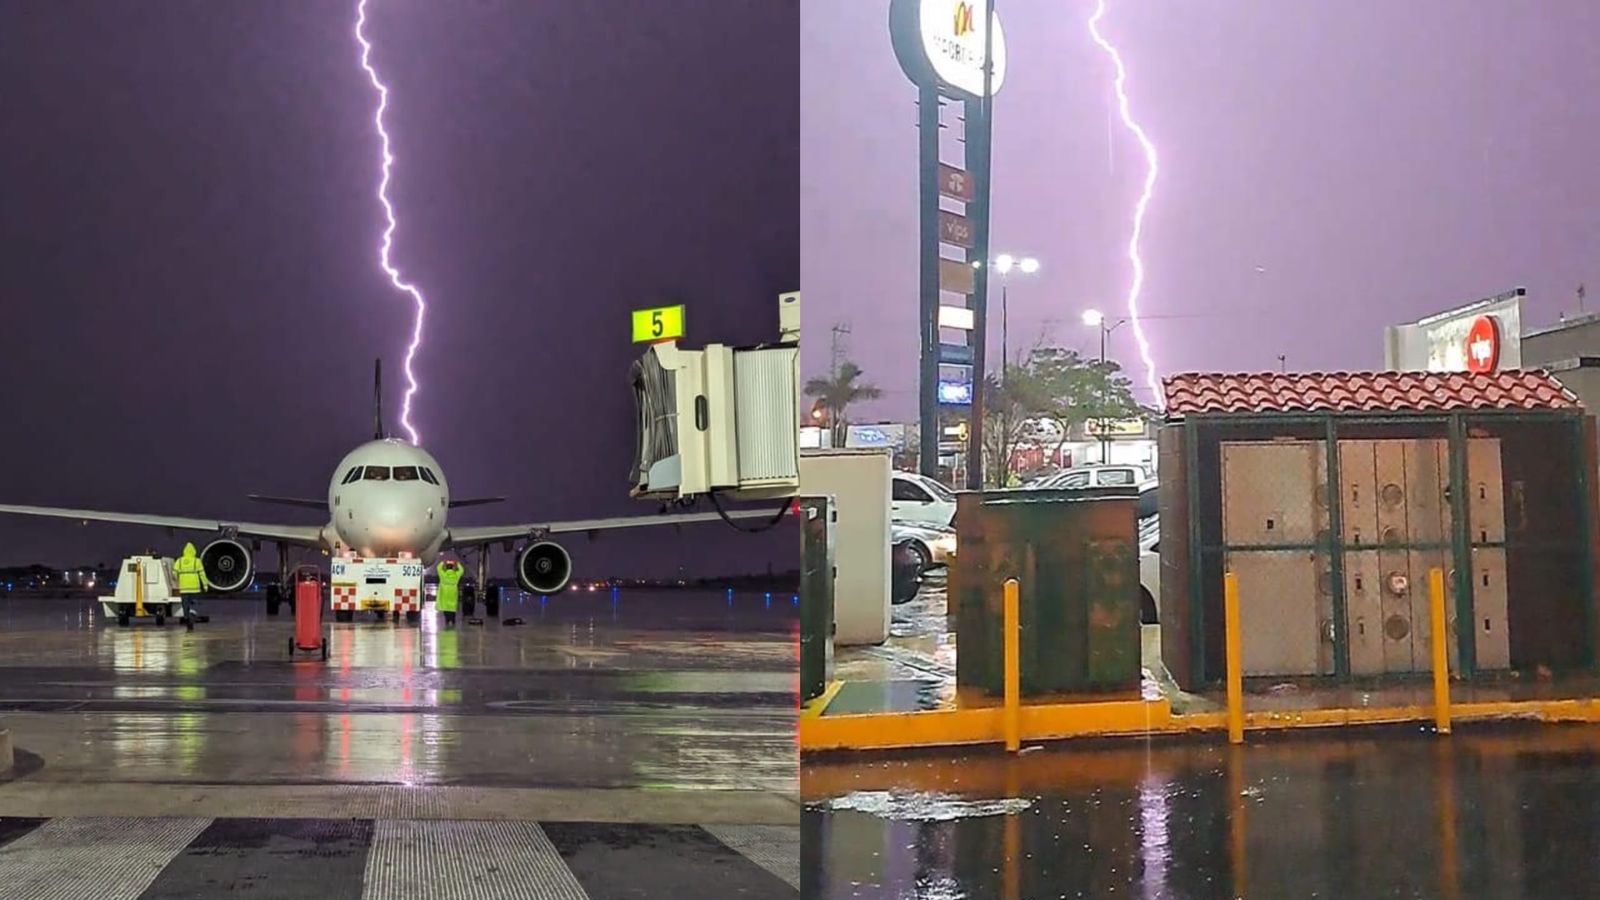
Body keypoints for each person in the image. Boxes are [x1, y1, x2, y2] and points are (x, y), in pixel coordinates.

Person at [171, 542, 210, 626]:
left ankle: (186, 617)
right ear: (194, 551)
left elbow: (174, 574)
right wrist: (205, 585)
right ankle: (192, 615)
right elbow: (202, 574)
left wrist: (177, 581)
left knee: (185, 603)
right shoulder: (197, 561)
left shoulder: (179, 561)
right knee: (193, 603)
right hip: (194, 588)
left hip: (183, 588)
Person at [436, 557, 463, 627]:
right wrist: (457, 564)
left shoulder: (443, 575)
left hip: (444, 596)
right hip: (453, 596)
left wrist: (443, 562)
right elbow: (461, 570)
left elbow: (438, 568)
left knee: (446, 610)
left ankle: (447, 621)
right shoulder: (456, 575)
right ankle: (452, 621)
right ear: (453, 568)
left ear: (446, 568)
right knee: (452, 610)